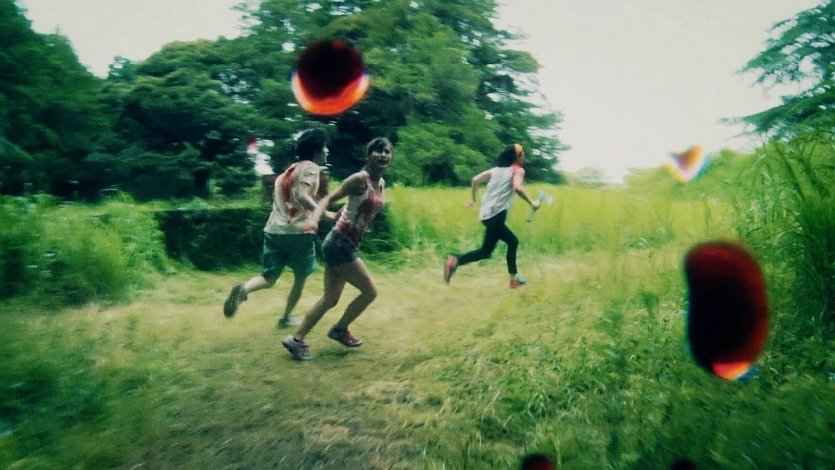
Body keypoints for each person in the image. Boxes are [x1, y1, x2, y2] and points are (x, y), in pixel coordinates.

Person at [282, 137, 392, 360]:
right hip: (340, 243)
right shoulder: (359, 179)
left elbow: (359, 206)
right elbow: (329, 198)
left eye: (387, 151)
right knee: (370, 292)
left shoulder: (380, 183)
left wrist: (359, 219)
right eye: (378, 151)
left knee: (330, 299)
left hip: (345, 242)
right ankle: (339, 329)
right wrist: (315, 219)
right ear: (369, 155)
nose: (383, 155)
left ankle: (296, 339)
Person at [223, 128, 333, 327]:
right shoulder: (311, 167)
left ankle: (243, 290)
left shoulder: (287, 172)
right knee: (300, 278)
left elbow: (295, 196)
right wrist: (324, 213)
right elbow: (301, 195)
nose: (327, 151)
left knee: (268, 278)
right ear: (316, 151)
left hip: (274, 231)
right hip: (299, 233)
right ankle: (286, 318)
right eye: (324, 147)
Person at [444, 143, 539, 289]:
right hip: (497, 215)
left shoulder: (496, 170)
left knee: (486, 251)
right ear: (517, 157)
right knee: (513, 242)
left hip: (485, 216)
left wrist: (473, 200)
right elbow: (517, 188)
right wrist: (532, 203)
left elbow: (475, 180)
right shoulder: (518, 171)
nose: (524, 158)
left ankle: (456, 261)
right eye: (523, 155)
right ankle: (513, 280)